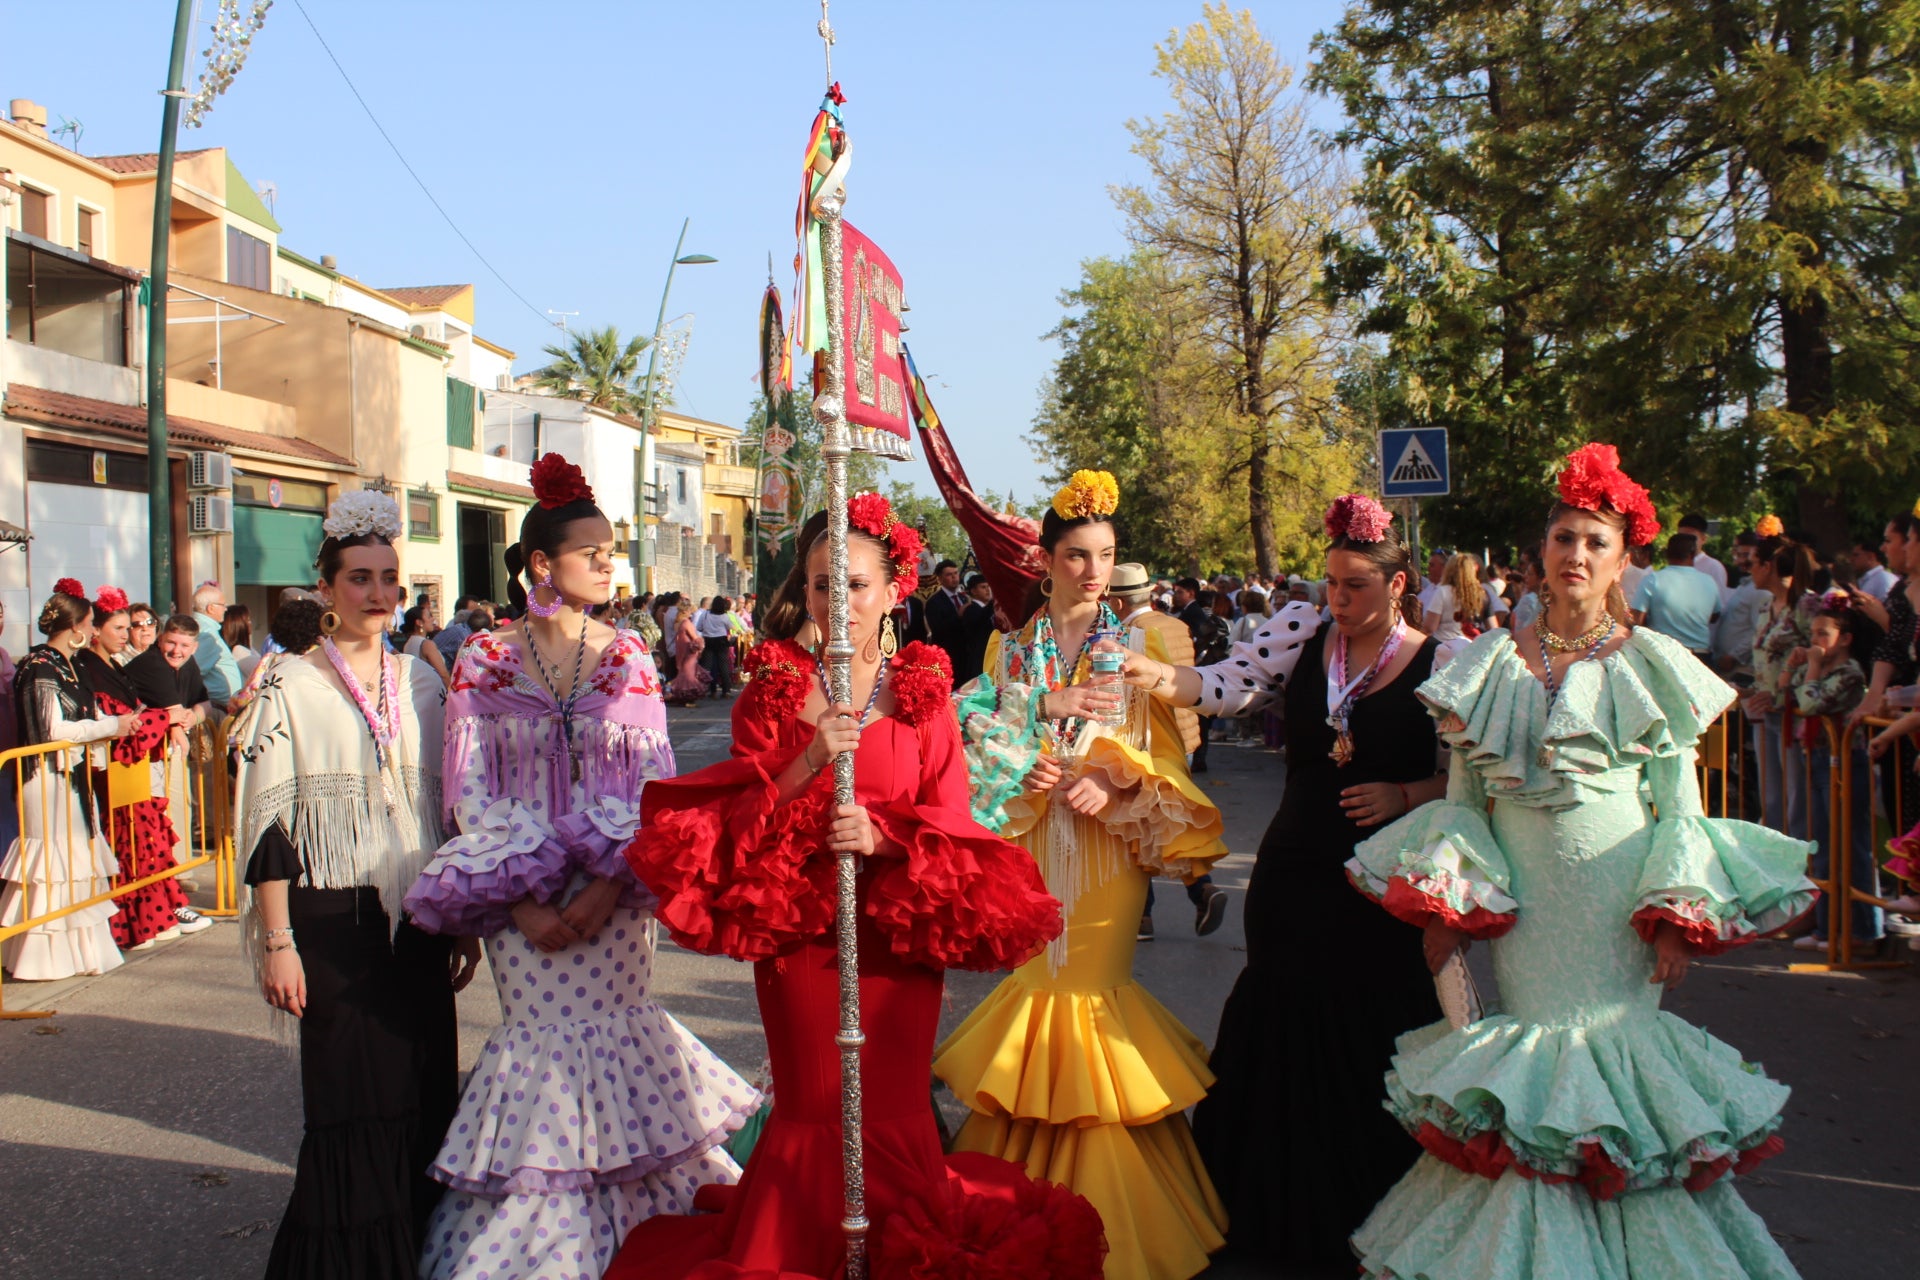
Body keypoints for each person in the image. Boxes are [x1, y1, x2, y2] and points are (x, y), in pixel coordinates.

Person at [1343, 445, 1812, 1278]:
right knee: (1533, 1089)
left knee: (1610, 1090)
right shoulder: (1486, 662)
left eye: (1596, 542)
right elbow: (1465, 800)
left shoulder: (1652, 665)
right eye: (1565, 539)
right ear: (1542, 553)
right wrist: (1448, 912)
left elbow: (1680, 805)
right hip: (1528, 913)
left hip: (1616, 907)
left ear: (1623, 560)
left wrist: (1675, 921)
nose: (1577, 556)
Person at [607, 497, 1100, 1280]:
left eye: (857, 585)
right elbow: (739, 814)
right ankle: (798, 1247)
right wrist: (808, 759)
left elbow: (954, 816)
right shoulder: (774, 681)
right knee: (815, 1099)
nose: (838, 602)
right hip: (801, 929)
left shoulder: (924, 688)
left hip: (900, 930)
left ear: (894, 589)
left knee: (895, 1100)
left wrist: (884, 834)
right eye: (820, 585)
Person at [405, 455, 755, 1280]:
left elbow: (650, 788)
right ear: (540, 565)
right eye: (592, 553)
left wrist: (604, 893)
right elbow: (471, 792)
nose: (609, 564)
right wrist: (523, 904)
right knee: (541, 1056)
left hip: (617, 904)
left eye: (611, 552)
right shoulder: (484, 659)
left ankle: (644, 1246)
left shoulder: (629, 655)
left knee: (622, 1047)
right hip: (515, 914)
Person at [1118, 493, 1445, 1272]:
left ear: (1396, 585)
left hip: (1386, 882)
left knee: (1371, 1041)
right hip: (1296, 870)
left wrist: (1406, 796)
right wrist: (1160, 675)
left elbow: (1468, 781)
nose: (1339, 598)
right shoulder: (1303, 634)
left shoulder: (1446, 661)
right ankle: (1271, 1219)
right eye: (1331, 582)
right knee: (1282, 1029)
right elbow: (1227, 685)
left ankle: (1374, 1224)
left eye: (1356, 585)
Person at [936, 470, 1229, 1280]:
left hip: (1106, 845)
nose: (1093, 572)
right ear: (1047, 562)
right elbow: (976, 725)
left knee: (1091, 1001)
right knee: (1034, 993)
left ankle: (1117, 1218)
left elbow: (1177, 750)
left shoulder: (1148, 644)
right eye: (1077, 556)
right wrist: (1023, 760)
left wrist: (1121, 779)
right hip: (1032, 836)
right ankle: (1019, 1201)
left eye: (1104, 556)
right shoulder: (1009, 645)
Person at [234, 490, 480, 1278]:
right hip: (330, 920)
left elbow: (448, 808)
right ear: (326, 588)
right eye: (360, 578)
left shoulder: (422, 683)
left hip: (415, 921)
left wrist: (462, 919)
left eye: (390, 580)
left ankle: (414, 1254)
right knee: (347, 1103)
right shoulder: (288, 685)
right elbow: (269, 826)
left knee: (421, 1093)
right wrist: (278, 942)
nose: (378, 594)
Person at [0, 581, 140, 980]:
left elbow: (79, 722)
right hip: (46, 778)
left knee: (76, 862)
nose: (95, 631)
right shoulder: (39, 667)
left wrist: (111, 727)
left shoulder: (69, 666)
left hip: (72, 775)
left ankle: (78, 953)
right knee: (54, 863)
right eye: (91, 623)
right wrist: (111, 725)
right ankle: (42, 957)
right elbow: (51, 729)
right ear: (75, 626)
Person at [75, 586, 200, 952]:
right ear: (95, 630)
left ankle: (154, 916)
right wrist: (166, 718)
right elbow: (115, 721)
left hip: (134, 770)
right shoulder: (91, 668)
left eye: (129, 627)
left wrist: (167, 718)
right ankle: (137, 922)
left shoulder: (112, 664)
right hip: (116, 770)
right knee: (134, 845)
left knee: (148, 842)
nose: (127, 635)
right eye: (119, 628)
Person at [1789, 591, 1884, 954]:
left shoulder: (1849, 673)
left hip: (1845, 760)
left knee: (1852, 845)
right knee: (1825, 846)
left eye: (1822, 635)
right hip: (1817, 757)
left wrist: (1809, 668)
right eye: (1811, 634)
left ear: (1844, 639)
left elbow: (1809, 701)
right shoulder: (1822, 667)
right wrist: (1798, 666)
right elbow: (1790, 689)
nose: (1814, 642)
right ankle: (1829, 926)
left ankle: (1862, 929)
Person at [1746, 534, 1818, 835]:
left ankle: (1805, 865)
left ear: (1768, 566)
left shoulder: (1808, 604)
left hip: (1794, 715)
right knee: (1772, 798)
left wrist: (1786, 691)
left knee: (1797, 798)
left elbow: (1822, 653)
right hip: (1766, 715)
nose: (1748, 570)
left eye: (1753, 564)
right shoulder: (1766, 608)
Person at [1630, 531, 1721, 660]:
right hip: (1701, 656)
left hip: (1664, 655)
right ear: (1693, 554)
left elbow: (1637, 621)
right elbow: (1715, 616)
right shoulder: (1709, 581)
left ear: (1667, 553)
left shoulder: (1652, 580)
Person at [189, 581, 243, 715]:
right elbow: (194, 670)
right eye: (223, 605)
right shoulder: (206, 633)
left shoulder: (205, 630)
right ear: (210, 608)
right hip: (215, 709)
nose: (225, 609)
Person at [1421, 551, 1488, 649]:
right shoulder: (1479, 593)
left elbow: (1430, 628)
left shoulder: (1443, 591)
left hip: (1444, 645)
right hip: (1470, 645)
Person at [924, 557, 969, 679]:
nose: (954, 577)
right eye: (949, 575)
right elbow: (938, 629)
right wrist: (958, 615)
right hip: (949, 657)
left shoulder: (964, 598)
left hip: (967, 655)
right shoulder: (934, 602)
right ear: (940, 579)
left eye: (956, 573)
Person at [953, 572, 997, 686]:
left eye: (989, 587)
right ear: (973, 591)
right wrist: (995, 600)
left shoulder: (989, 609)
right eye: (983, 587)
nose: (988, 590)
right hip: (978, 661)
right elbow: (980, 621)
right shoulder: (971, 609)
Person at [666, 597, 711, 705]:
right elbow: (696, 638)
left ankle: (684, 696)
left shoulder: (682, 623)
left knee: (686, 674)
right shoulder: (686, 623)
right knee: (687, 674)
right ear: (686, 611)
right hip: (687, 652)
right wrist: (699, 647)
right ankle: (686, 697)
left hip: (685, 652)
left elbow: (692, 638)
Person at [1678, 510, 1731, 601]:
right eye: (1681, 537)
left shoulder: (1714, 567)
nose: (1685, 542)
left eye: (1691, 538)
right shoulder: (1674, 564)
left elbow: (1719, 603)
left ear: (1703, 539)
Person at [397, 604, 453, 687]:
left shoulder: (408, 643)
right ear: (419, 622)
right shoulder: (427, 644)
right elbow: (443, 675)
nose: (433, 619)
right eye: (429, 616)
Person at [695, 596, 736, 696]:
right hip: (721, 642)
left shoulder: (705, 614)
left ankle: (709, 689)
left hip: (709, 641)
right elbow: (732, 627)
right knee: (723, 666)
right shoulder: (724, 616)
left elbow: (699, 627)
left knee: (708, 666)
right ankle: (726, 690)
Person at [1849, 535, 1897, 601]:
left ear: (1870, 556)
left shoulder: (1883, 579)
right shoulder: (1873, 579)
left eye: (1856, 555)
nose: (1851, 559)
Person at [433, 596, 478, 666]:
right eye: (473, 611)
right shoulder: (458, 631)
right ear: (462, 612)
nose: (477, 614)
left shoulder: (463, 628)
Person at [222, 603, 259, 685]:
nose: (250, 623)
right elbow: (262, 671)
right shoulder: (238, 650)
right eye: (248, 620)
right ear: (238, 624)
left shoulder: (247, 648)